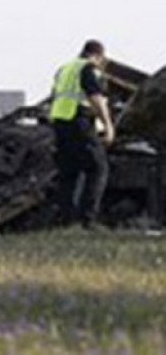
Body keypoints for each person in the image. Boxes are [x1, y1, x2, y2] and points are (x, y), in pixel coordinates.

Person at [49, 39, 115, 227]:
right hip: (79, 122)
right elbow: (96, 99)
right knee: (98, 168)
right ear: (98, 55)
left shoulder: (64, 69)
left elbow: (54, 96)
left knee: (69, 172)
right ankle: (89, 219)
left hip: (60, 124)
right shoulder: (87, 69)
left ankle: (66, 219)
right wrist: (108, 126)